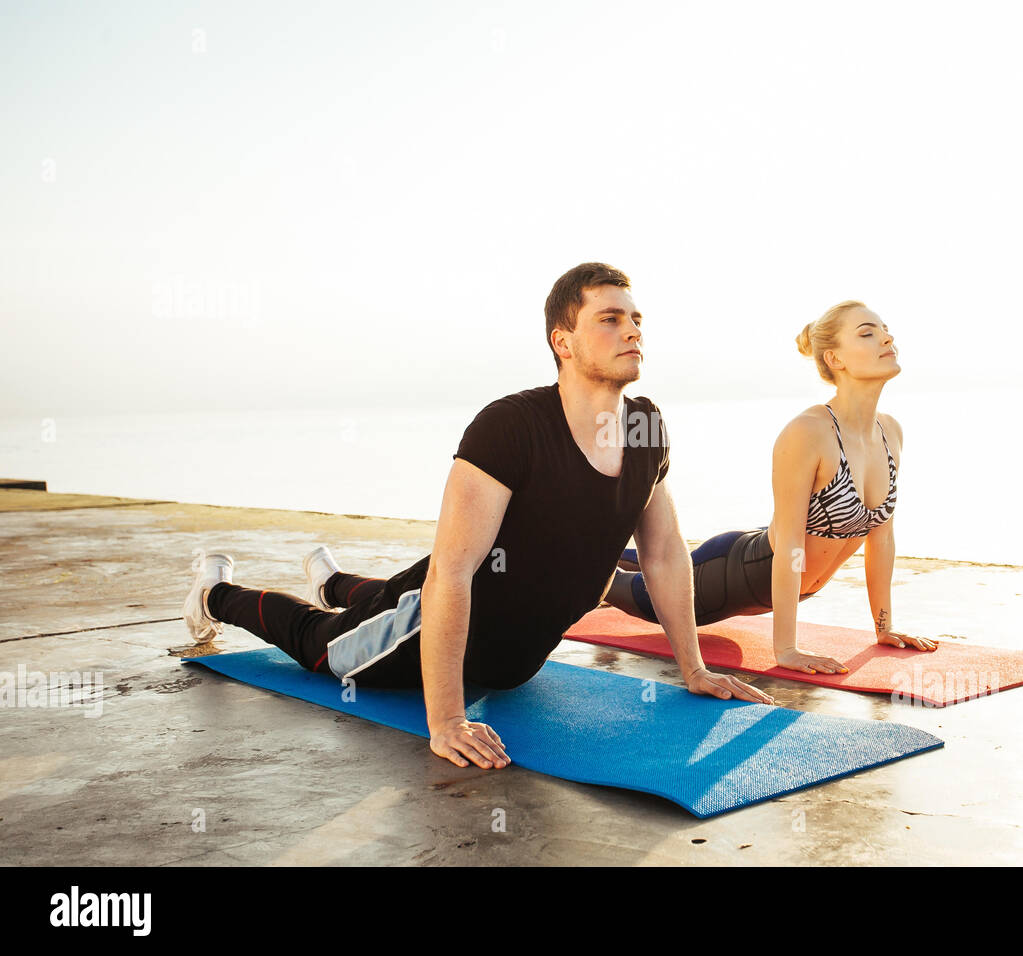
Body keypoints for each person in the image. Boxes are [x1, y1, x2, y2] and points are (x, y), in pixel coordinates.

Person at [181, 262, 773, 772]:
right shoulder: (511, 427)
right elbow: (452, 573)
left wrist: (693, 667)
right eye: (611, 319)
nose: (633, 331)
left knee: (390, 600)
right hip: (442, 623)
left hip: (513, 660)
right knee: (324, 648)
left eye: (637, 320)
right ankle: (215, 593)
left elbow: (665, 553)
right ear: (562, 342)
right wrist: (445, 719)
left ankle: (335, 581)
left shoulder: (646, 425)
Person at [603, 299, 937, 675]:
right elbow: (792, 545)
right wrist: (787, 649)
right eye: (867, 332)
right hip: (739, 575)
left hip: (777, 567)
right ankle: (577, 550)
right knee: (614, 585)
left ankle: (620, 551)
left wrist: (884, 626)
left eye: (884, 329)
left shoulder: (890, 431)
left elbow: (882, 539)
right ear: (835, 359)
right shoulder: (808, 432)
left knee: (644, 560)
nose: (886, 337)